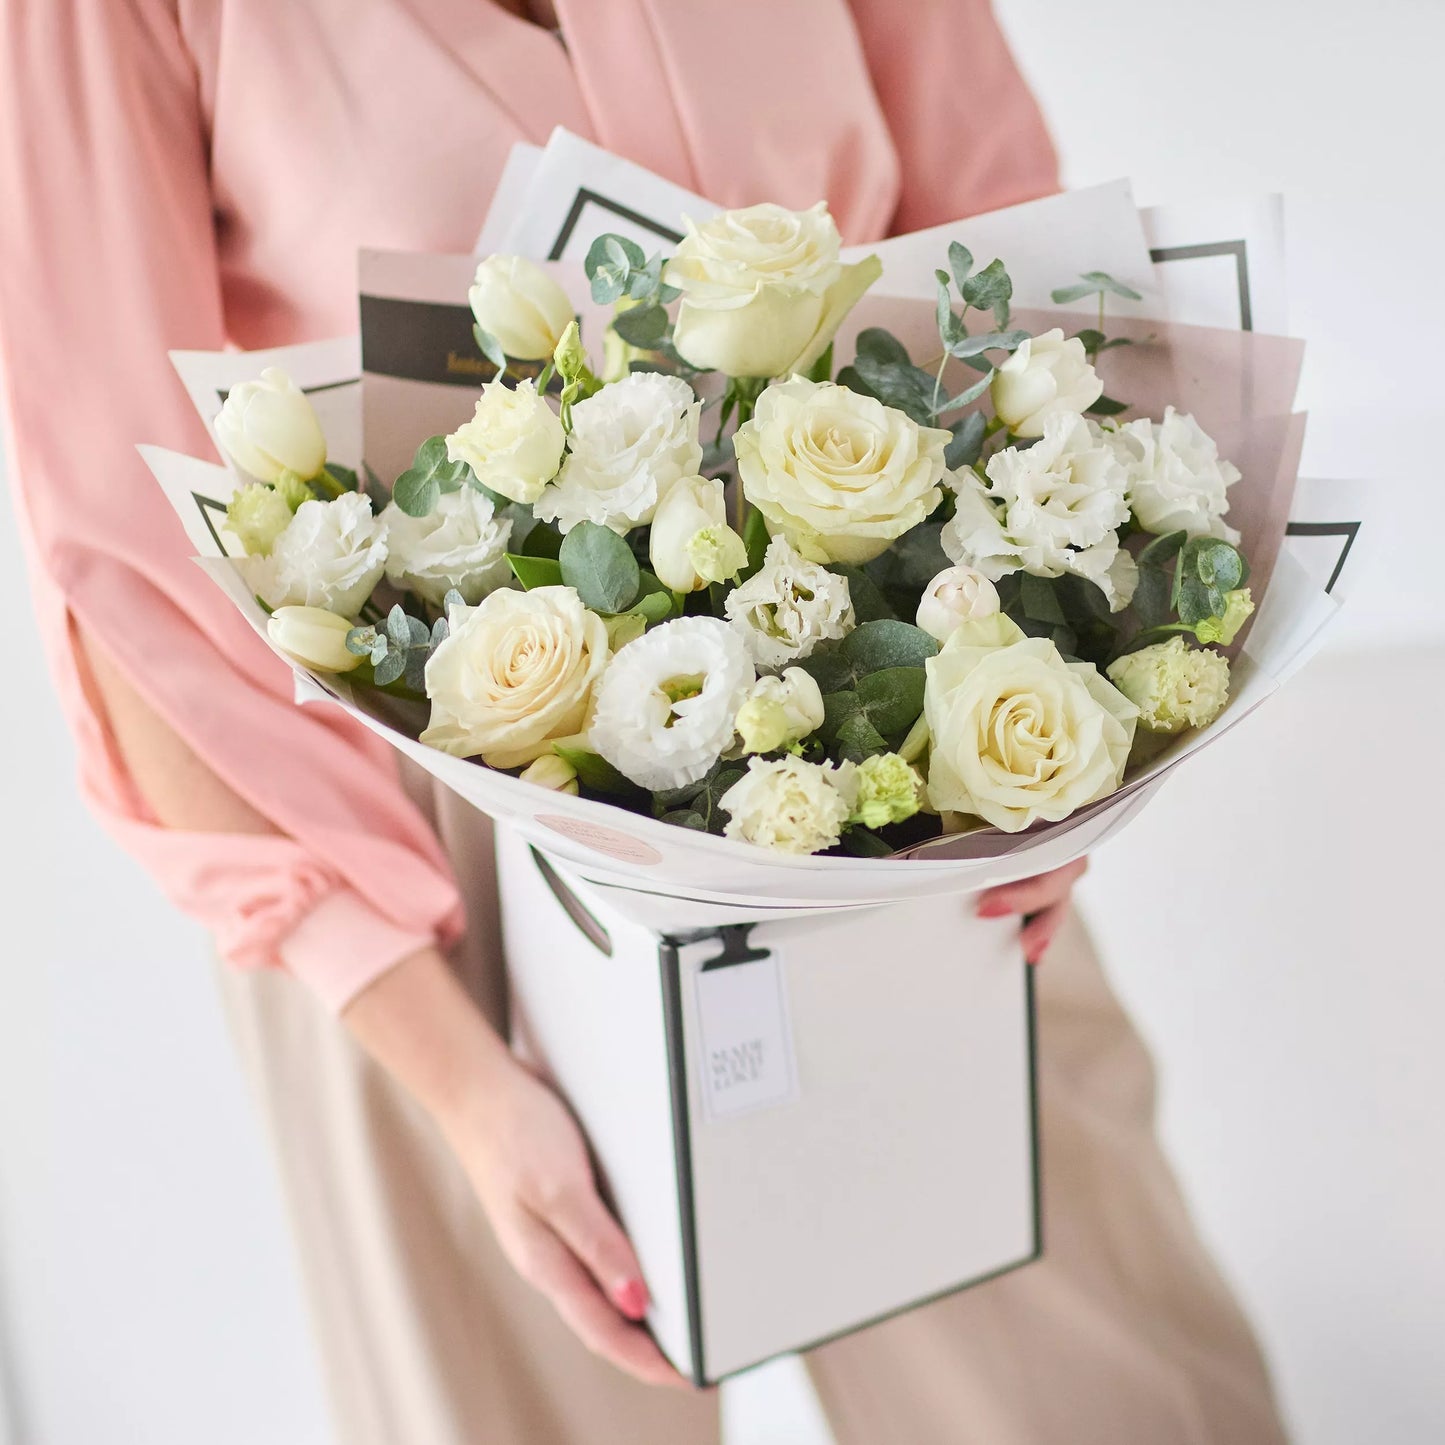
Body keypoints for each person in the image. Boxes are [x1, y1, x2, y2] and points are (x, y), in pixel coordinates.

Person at [0, 2, 1290, 1440]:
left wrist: (1063, 743)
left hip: (904, 725)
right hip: (413, 840)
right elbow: (120, 547)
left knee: (1100, 1391)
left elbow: (1007, 240)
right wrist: (452, 1069)